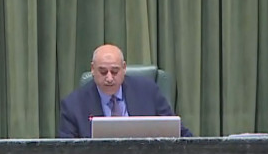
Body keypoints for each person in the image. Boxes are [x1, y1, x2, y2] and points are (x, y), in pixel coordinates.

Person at [58, 44, 193, 138]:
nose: (109, 78)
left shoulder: (148, 92)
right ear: (93, 69)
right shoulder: (73, 105)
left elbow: (178, 132)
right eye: (103, 72)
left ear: (124, 68)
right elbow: (67, 152)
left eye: (115, 71)